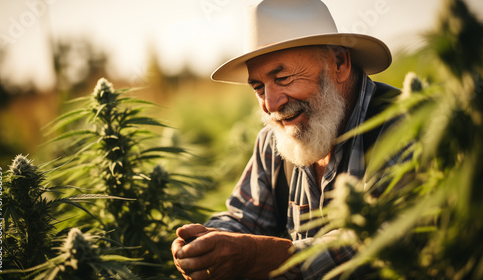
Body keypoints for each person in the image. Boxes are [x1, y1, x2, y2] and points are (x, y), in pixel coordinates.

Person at [171, 0, 402, 279]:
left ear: (339, 63)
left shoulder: (404, 125)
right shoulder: (274, 140)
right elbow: (244, 219)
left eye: (282, 78)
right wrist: (207, 243)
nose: (270, 103)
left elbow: (383, 239)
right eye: (258, 88)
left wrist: (260, 256)